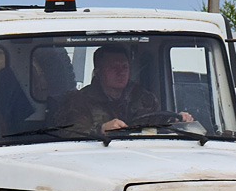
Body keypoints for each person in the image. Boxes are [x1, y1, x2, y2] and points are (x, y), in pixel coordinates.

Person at [53, 45, 193, 135]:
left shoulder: (144, 98)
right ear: (98, 72)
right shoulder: (78, 100)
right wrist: (101, 130)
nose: (121, 72)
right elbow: (69, 134)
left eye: (124, 67)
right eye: (114, 67)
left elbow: (157, 125)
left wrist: (175, 120)